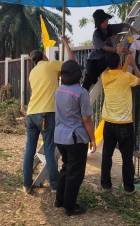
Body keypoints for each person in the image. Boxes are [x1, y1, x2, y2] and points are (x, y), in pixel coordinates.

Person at [23, 37, 75, 194]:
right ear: (44, 56)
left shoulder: (32, 73)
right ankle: (54, 185)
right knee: (49, 148)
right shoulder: (50, 65)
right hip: (46, 113)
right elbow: (72, 63)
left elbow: (52, 78)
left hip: (31, 113)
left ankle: (26, 184)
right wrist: (65, 43)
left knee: (29, 149)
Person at [54, 60, 96, 216]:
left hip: (60, 137)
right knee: (75, 173)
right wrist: (92, 138)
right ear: (79, 76)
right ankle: (70, 207)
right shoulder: (81, 93)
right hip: (75, 138)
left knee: (66, 167)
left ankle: (60, 200)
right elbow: (86, 119)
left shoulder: (58, 91)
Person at [100, 51, 140, 195]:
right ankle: (128, 188)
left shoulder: (104, 77)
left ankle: (106, 185)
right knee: (126, 157)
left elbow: (116, 72)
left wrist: (121, 57)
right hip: (124, 124)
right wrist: (133, 65)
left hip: (109, 124)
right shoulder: (126, 77)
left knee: (107, 155)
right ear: (120, 63)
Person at [82, 9, 139, 91]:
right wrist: (120, 49)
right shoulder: (96, 34)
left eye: (106, 20)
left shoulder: (110, 28)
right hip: (94, 58)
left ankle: (95, 76)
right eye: (102, 22)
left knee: (105, 63)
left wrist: (131, 27)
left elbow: (124, 24)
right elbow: (104, 47)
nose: (105, 23)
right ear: (98, 24)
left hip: (106, 57)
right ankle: (83, 92)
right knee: (89, 76)